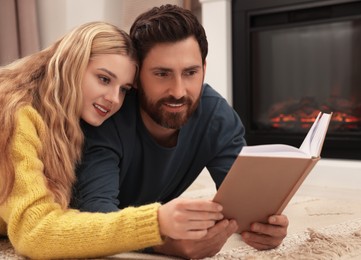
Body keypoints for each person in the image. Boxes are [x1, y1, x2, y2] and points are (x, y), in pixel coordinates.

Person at [73, 5, 289, 259]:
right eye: (162, 74)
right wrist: (162, 244)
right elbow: (95, 216)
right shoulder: (106, 116)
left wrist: (263, 226)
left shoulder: (217, 117)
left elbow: (243, 203)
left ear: (204, 70)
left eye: (190, 73)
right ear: (138, 75)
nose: (178, 91)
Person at [0, 21, 224, 259]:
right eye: (104, 79)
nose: (114, 99)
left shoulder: (64, 123)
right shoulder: (15, 113)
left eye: (124, 89)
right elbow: (35, 233)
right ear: (72, 64)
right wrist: (154, 223)